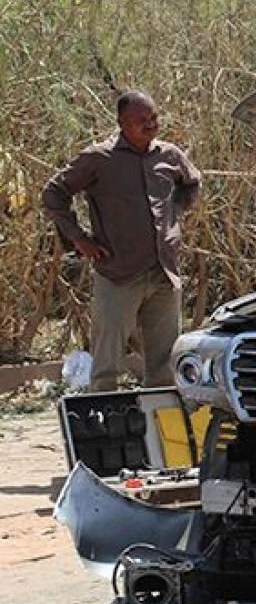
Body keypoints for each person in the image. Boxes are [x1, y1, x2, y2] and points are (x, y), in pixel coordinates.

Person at [42, 90, 202, 391]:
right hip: (118, 273)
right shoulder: (98, 159)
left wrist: (174, 212)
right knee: (107, 366)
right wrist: (79, 239)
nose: (151, 124)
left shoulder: (169, 155)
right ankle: (104, 428)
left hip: (164, 274)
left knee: (165, 364)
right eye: (142, 120)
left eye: (154, 117)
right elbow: (53, 194)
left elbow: (192, 183)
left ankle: (160, 429)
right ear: (121, 122)